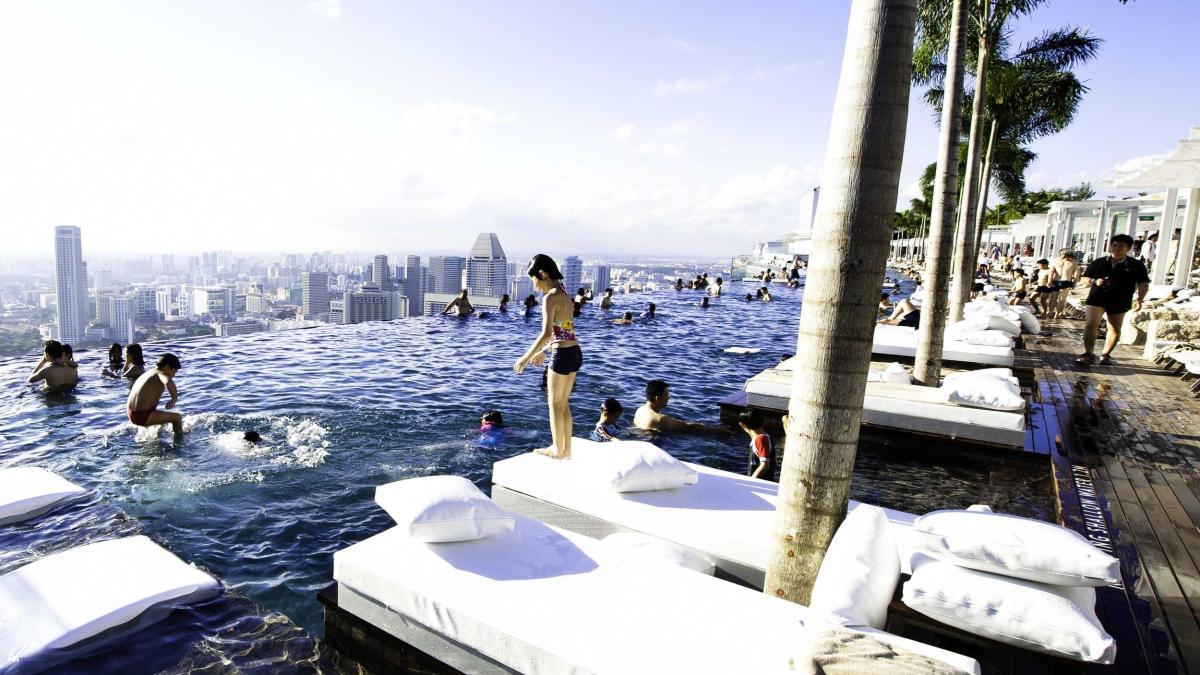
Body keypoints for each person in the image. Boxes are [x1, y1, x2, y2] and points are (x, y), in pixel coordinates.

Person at [513, 254, 580, 459]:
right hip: (574, 352)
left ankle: (557, 449)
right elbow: (564, 331)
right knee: (563, 403)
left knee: (554, 404)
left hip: (562, 355)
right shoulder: (564, 293)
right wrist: (544, 351)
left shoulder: (550, 297)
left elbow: (546, 333)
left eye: (533, 279)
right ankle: (567, 450)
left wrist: (526, 357)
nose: (534, 285)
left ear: (542, 274)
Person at [1077, 234, 1150, 365]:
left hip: (1120, 299)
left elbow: (1143, 284)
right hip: (1097, 297)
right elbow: (1084, 278)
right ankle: (1088, 353)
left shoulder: (1136, 265)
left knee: (1115, 328)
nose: (1117, 248)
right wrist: (1094, 281)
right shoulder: (1099, 262)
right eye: (1114, 245)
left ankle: (1106, 354)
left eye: (1121, 246)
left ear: (1128, 248)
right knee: (1090, 324)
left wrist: (1139, 299)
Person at [633, 379, 725, 433]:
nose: (668, 398)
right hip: (652, 442)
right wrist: (717, 430)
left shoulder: (640, 410)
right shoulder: (659, 419)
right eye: (666, 395)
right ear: (657, 398)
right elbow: (688, 426)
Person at [126, 353, 184, 435]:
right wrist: (174, 399)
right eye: (174, 371)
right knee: (177, 418)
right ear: (167, 367)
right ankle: (180, 440)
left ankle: (156, 435)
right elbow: (169, 382)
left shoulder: (149, 372)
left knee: (163, 417)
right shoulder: (161, 373)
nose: (174, 375)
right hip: (142, 415)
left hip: (131, 412)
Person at [738, 409, 775, 481]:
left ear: (742, 425)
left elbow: (764, 466)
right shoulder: (761, 438)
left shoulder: (761, 439)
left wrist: (751, 481)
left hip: (760, 482)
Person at [1051, 251, 1080, 318]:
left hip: (1055, 281)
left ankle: (1050, 312)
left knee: (1053, 298)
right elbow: (1076, 274)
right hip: (1065, 281)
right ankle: (1057, 314)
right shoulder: (1073, 262)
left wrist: (1049, 281)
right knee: (1062, 299)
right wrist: (1074, 283)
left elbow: (1051, 271)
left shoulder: (1056, 261)